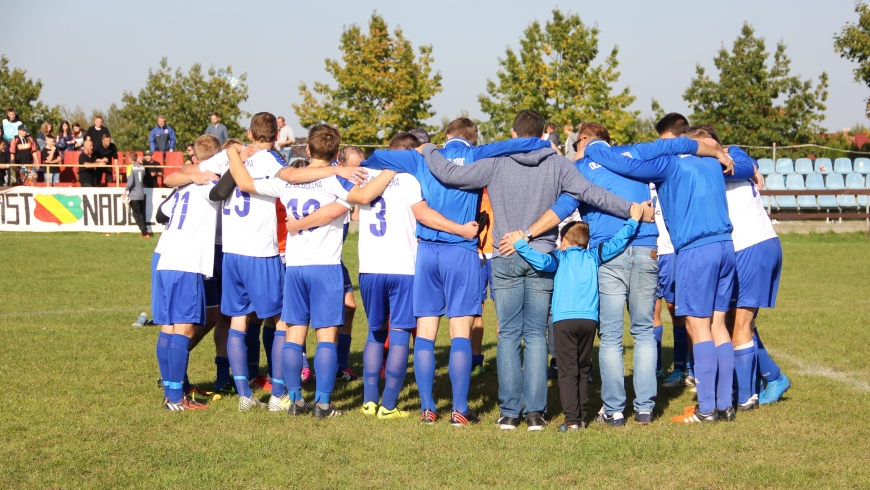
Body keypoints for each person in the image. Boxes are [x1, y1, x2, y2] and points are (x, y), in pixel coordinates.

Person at [414, 110, 645, 431]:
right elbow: (594, 194)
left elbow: (452, 175)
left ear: (513, 133)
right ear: (541, 136)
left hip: (505, 255)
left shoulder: (497, 161)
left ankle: (510, 412)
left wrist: (427, 150)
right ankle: (536, 413)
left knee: (508, 335)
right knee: (536, 336)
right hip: (543, 257)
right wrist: (632, 210)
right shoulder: (559, 164)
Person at [363, 116, 551, 427]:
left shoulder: (422, 156)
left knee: (425, 333)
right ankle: (459, 409)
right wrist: (544, 144)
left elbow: (376, 156)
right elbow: (519, 143)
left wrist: (421, 149)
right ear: (472, 138)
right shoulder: (480, 153)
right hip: (462, 249)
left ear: (447, 135)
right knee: (460, 331)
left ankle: (427, 408)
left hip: (426, 251)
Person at [582, 115, 738, 424]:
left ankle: (706, 409)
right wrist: (719, 152)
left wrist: (592, 148)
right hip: (726, 245)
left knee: (698, 325)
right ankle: (725, 404)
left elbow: (623, 164)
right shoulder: (713, 164)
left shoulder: (671, 164)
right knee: (720, 324)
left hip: (696, 249)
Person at [228, 123, 367, 418]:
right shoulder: (338, 180)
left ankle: (294, 400)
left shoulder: (288, 180)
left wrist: (233, 155)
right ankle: (323, 404)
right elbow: (352, 203)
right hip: (325, 266)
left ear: (307, 150)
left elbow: (244, 183)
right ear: (337, 153)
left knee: (294, 334)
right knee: (326, 335)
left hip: (294, 266)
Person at [561, 123, 662, 426]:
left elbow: (567, 203)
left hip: (610, 253)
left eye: (577, 144)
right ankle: (644, 408)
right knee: (644, 332)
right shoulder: (632, 157)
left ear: (586, 140)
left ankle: (615, 410)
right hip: (646, 248)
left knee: (611, 337)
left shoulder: (581, 167)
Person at [509, 204, 643, 430]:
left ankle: (571, 421)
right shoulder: (594, 255)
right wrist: (633, 221)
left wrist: (520, 244)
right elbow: (617, 242)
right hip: (589, 321)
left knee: (567, 371)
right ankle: (581, 417)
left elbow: (540, 261)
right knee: (582, 369)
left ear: (564, 241)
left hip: (564, 321)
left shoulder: (559, 258)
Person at [689, 126, 790, 407]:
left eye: (707, 146)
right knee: (733, 320)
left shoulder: (732, 155)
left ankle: (747, 395)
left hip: (752, 246)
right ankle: (765, 378)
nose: (703, 152)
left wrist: (743, 164)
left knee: (741, 323)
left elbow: (744, 163)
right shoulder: (709, 168)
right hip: (744, 248)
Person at [152, 142, 220, 411]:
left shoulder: (186, 185)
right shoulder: (208, 185)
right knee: (184, 328)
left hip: (165, 260)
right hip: (186, 263)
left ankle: (171, 392)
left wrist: (190, 174)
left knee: (168, 327)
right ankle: (176, 398)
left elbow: (161, 212)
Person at [472, 187, 495, 376]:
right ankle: (474, 359)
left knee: (503, 310)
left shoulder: (501, 181)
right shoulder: (472, 185)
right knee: (475, 309)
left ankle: (504, 359)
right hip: (475, 254)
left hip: (499, 253)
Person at [124, 153, 149, 237]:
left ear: (130, 159)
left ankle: (144, 233)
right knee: (141, 213)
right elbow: (143, 176)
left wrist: (125, 190)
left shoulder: (130, 167)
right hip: (141, 193)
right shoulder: (142, 167)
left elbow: (130, 181)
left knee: (136, 214)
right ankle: (146, 229)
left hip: (134, 194)